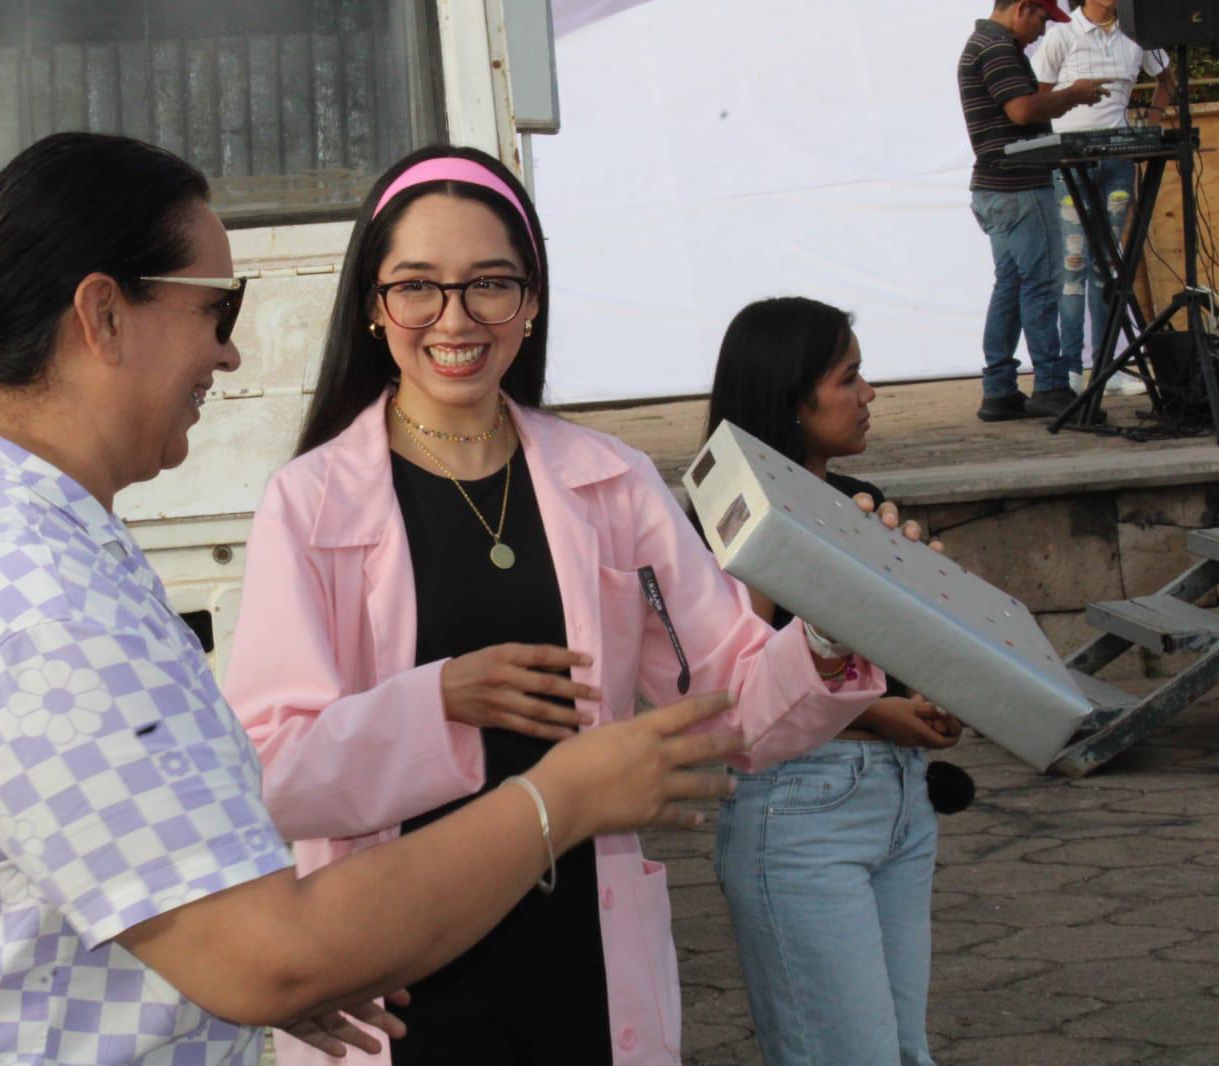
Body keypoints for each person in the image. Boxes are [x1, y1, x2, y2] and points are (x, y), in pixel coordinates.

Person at [0, 132, 751, 1065]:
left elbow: (144, 858)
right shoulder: (37, 609)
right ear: (102, 315)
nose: (228, 353)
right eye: (215, 310)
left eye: (491, 283)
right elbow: (270, 940)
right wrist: (563, 795)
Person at [224, 146, 925, 1066]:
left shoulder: (610, 481)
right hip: (398, 973)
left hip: (579, 962)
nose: (454, 317)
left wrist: (838, 620)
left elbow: (730, 711)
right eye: (416, 287)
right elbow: (272, 774)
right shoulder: (311, 502)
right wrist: (439, 701)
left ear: (532, 301)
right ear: (370, 304)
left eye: (489, 284)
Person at [703, 298, 964, 1066]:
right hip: (798, 808)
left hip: (899, 803)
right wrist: (878, 717)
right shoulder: (725, 514)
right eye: (848, 376)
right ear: (789, 394)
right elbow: (731, 697)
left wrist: (943, 689)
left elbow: (899, 651)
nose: (869, 394)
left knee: (902, 1052)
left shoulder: (861, 501)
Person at [959, 0, 1113, 422]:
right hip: (1020, 186)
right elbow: (1022, 110)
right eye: (1043, 18)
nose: (1044, 31)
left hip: (994, 186)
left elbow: (1018, 112)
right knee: (1041, 284)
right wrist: (1072, 95)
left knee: (1010, 286)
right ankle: (1049, 384)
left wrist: (1060, 102)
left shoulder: (982, 43)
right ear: (1023, 7)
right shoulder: (998, 47)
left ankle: (1000, 389)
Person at [1033, 0, 1176, 397]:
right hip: (1070, 163)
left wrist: (1151, 123)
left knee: (1109, 265)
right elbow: (1039, 100)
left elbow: (1169, 79)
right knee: (1073, 264)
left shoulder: (1136, 33)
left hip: (1116, 161)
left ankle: (1106, 365)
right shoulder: (1062, 34)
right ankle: (1071, 368)